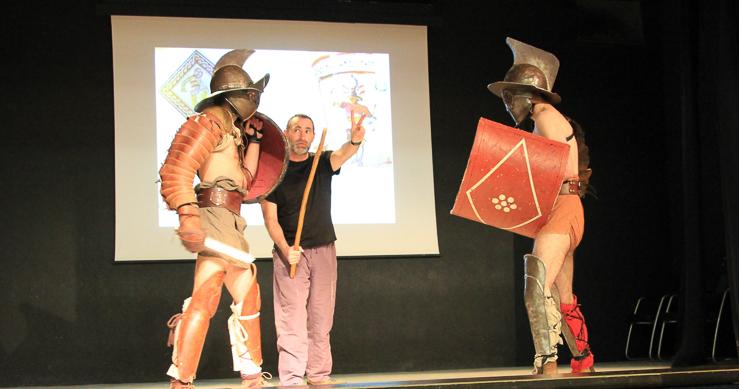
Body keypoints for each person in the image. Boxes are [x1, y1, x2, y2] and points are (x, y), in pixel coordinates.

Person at [159, 49, 271, 389]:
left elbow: (244, 182)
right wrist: (188, 214)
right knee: (209, 297)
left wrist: (252, 142)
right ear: (238, 95)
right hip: (213, 217)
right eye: (251, 93)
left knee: (242, 295)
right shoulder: (209, 120)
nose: (255, 98)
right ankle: (183, 380)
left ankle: (248, 377)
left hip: (230, 220)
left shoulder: (231, 130)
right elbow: (177, 167)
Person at [487, 37, 594, 375]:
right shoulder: (546, 117)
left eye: (510, 94)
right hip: (567, 207)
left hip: (562, 207)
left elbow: (555, 169)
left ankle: (546, 363)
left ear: (527, 92)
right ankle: (582, 360)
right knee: (563, 294)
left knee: (536, 285)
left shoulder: (545, 114)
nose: (507, 102)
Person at [260, 112, 365, 385]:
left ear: (313, 136)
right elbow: (270, 220)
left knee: (320, 319)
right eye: (296, 129)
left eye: (307, 130)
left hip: (323, 250)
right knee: (291, 320)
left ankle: (318, 375)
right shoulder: (274, 173)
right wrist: (285, 249)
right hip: (290, 255)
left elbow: (342, 154)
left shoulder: (321, 162)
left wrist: (353, 142)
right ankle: (293, 379)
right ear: (286, 133)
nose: (302, 135)